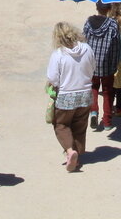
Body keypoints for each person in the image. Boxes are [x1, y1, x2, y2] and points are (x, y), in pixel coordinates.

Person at [46, 22, 96, 173]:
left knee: (61, 125)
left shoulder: (59, 54)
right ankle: (77, 156)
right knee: (79, 125)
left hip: (66, 94)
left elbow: (53, 78)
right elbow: (93, 67)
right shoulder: (87, 49)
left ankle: (69, 151)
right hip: (86, 93)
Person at [83, 2, 121, 130]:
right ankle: (107, 121)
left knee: (93, 88)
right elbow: (116, 46)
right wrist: (115, 64)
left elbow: (83, 41)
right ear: (109, 9)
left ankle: (93, 111)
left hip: (91, 63)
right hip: (107, 63)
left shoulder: (88, 23)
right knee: (108, 92)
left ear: (96, 8)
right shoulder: (112, 25)